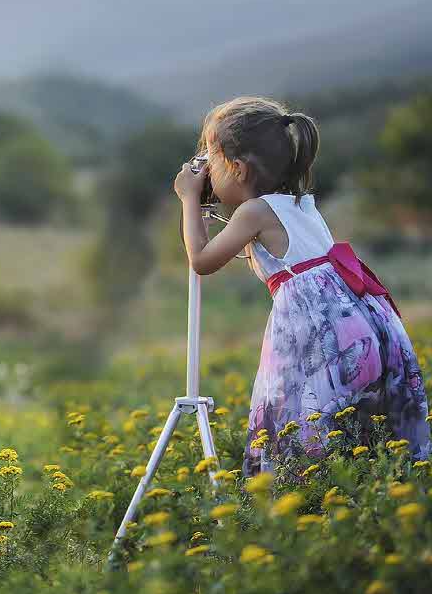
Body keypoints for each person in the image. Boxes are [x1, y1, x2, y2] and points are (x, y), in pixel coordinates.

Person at [173, 96, 430, 476]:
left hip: (319, 337)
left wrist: (189, 198)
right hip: (365, 327)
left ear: (238, 169)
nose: (206, 171)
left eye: (211, 160)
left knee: (300, 419)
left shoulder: (253, 212)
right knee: (359, 429)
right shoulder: (300, 203)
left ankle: (304, 499)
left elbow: (202, 261)